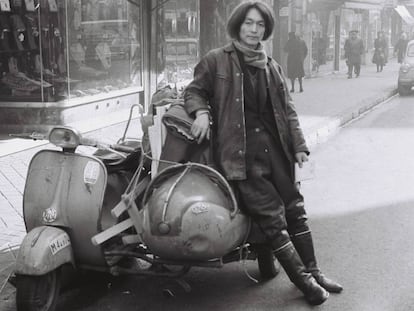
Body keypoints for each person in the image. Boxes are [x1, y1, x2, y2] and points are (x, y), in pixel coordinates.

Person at [183, 1, 342, 305]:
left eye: (259, 25)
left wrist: (299, 147)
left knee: (295, 209)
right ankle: (306, 284)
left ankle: (315, 271)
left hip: (276, 152)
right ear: (237, 26)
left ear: (266, 29)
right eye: (248, 24)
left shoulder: (271, 65)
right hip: (241, 157)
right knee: (272, 219)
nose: (254, 30)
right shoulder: (217, 60)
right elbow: (194, 91)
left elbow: (288, 111)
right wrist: (201, 113)